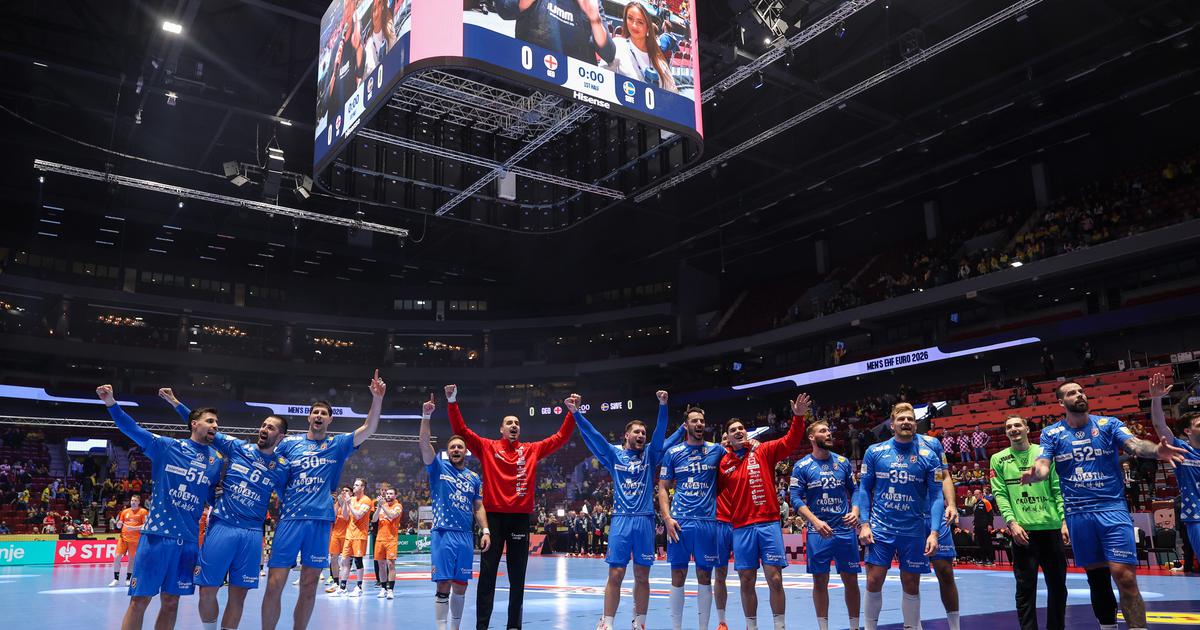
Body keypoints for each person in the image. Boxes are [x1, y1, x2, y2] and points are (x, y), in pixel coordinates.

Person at [1022, 380, 1186, 630]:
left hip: (1112, 509)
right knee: (1097, 580)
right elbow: (1043, 465)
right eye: (1072, 393)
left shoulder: (1109, 424)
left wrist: (1155, 450)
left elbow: (1134, 445)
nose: (1079, 395)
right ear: (1061, 402)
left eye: (1081, 391)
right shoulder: (1051, 433)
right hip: (1078, 514)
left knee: (1125, 578)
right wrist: (1037, 475)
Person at [261, 369, 386, 630]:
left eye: (323, 413)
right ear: (309, 417)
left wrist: (377, 398)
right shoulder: (289, 444)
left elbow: (368, 428)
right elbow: (270, 467)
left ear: (330, 420)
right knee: (274, 584)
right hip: (290, 520)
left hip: (319, 522)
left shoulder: (337, 445)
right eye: (315, 412)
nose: (318, 415)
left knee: (309, 586)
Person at [445, 383, 575, 630]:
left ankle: (514, 626)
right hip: (492, 520)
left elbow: (560, 438)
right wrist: (452, 402)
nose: (514, 425)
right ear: (502, 429)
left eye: (517, 423)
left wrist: (571, 413)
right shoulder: (487, 447)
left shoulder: (532, 450)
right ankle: (481, 626)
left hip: (519, 520)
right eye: (509, 423)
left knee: (518, 578)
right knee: (487, 576)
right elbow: (461, 430)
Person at [160, 388, 290, 630]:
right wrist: (176, 402)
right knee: (207, 591)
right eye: (263, 425)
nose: (264, 429)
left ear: (280, 436)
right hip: (223, 526)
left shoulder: (282, 467)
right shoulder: (238, 447)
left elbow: (289, 495)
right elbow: (202, 426)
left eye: (271, 428)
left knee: (238, 596)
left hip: (252, 533)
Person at [96, 384, 223, 630]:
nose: (216, 426)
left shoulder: (215, 461)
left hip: (188, 542)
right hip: (157, 537)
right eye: (210, 421)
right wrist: (111, 403)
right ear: (194, 424)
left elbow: (210, 495)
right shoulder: (167, 447)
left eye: (217, 422)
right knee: (139, 601)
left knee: (171, 603)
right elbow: (132, 429)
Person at [567, 392, 668, 630]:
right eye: (637, 432)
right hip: (621, 521)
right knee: (616, 574)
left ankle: (640, 622)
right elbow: (594, 436)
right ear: (626, 435)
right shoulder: (615, 455)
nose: (641, 435)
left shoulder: (650, 455)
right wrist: (576, 413)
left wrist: (663, 406)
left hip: (644, 521)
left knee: (642, 575)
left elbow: (660, 433)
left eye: (643, 433)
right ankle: (607, 622)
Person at [719, 393, 810, 630]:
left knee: (775, 578)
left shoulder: (763, 451)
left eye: (741, 428)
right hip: (741, 528)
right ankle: (752, 627)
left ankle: (779, 626)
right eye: (733, 430)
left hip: (768, 523)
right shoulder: (723, 463)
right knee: (746, 580)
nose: (738, 431)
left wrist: (798, 418)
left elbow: (790, 441)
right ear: (727, 438)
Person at [855, 402, 945, 630]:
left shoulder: (929, 456)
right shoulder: (874, 452)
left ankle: (911, 627)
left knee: (911, 582)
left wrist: (934, 533)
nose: (906, 422)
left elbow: (937, 496)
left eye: (910, 419)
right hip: (881, 528)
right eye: (901, 419)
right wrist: (864, 524)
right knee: (874, 579)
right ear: (892, 424)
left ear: (916, 424)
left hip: (913, 530)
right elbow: (864, 489)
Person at [419, 394, 490, 630]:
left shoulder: (474, 478)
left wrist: (486, 530)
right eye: (452, 447)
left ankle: (455, 628)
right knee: (443, 584)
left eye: (460, 447)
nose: (456, 449)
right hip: (443, 534)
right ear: (448, 452)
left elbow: (478, 506)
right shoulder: (438, 468)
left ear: (465, 451)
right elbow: (424, 444)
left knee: (461, 585)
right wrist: (426, 416)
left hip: (465, 537)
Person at [990, 415, 1068, 630]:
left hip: (1051, 528)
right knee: (1025, 589)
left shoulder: (1044, 453)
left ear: (1026, 428)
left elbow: (1057, 488)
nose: (1013, 429)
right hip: (1022, 533)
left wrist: (1064, 520)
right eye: (1009, 427)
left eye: (1017, 425)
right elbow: (1000, 494)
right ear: (1006, 432)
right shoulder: (998, 459)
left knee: (1058, 587)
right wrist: (1012, 523)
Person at [658, 406, 730, 630]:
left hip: (707, 523)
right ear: (686, 425)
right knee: (678, 575)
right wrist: (667, 518)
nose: (699, 424)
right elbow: (663, 487)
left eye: (702, 420)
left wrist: (752, 444)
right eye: (694, 421)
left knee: (704, 575)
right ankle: (676, 628)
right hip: (680, 523)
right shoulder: (673, 453)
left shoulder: (717, 450)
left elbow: (737, 459)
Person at [789, 420, 861, 630]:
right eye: (823, 431)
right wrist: (814, 520)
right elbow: (795, 498)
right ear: (812, 437)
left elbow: (856, 490)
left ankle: (855, 627)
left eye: (829, 430)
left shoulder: (843, 462)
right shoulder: (801, 466)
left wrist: (855, 511)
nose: (829, 433)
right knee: (820, 581)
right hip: (818, 531)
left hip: (844, 529)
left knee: (851, 580)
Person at [1147, 373, 1200, 578]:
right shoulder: (1181, 450)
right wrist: (1156, 399)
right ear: (1188, 431)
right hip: (1196, 517)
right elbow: (1160, 426)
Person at [495, 0, 616, 65]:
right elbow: (504, 10)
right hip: (535, 75)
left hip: (576, 89)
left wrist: (595, 19)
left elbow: (609, 54)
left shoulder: (592, 2)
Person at [606, 1, 678, 92]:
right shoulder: (618, 45)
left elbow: (673, 91)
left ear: (648, 28)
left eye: (640, 22)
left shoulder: (659, 59)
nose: (634, 25)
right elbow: (603, 78)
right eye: (630, 18)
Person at [332, 477, 374, 597]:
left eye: (357, 485)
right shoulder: (352, 500)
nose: (354, 487)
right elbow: (346, 516)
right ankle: (342, 587)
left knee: (358, 561)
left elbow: (358, 515)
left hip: (359, 535)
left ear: (362, 487)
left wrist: (349, 503)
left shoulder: (366, 500)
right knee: (344, 561)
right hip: (349, 534)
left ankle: (359, 587)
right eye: (354, 485)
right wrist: (345, 503)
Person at [110, 495, 148, 587]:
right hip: (123, 538)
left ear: (139, 502)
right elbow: (119, 525)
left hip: (135, 540)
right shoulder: (125, 511)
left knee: (131, 560)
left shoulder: (143, 511)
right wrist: (118, 524)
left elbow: (146, 526)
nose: (133, 502)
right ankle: (116, 579)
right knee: (117, 557)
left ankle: (128, 579)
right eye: (132, 500)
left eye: (135, 501)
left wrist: (133, 528)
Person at [373, 485, 402, 600]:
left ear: (395, 495)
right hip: (380, 539)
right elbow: (374, 519)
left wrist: (383, 507)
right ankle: (383, 588)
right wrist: (379, 507)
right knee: (381, 565)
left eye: (391, 494)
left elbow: (392, 516)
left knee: (390, 564)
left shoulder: (398, 506)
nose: (388, 495)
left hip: (391, 539)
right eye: (387, 494)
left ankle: (390, 590)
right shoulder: (382, 506)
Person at [326, 488, 352, 592]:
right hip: (335, 535)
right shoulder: (337, 503)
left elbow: (347, 517)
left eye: (347, 491)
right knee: (333, 558)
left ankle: (344, 583)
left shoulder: (352, 503)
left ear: (351, 493)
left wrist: (344, 504)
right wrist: (339, 504)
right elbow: (332, 517)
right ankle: (336, 582)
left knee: (345, 560)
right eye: (343, 490)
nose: (344, 492)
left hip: (347, 535)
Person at [363, 0, 397, 72]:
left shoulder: (389, 25)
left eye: (381, 5)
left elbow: (395, 50)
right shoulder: (369, 46)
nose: (379, 9)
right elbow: (371, 72)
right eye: (375, 8)